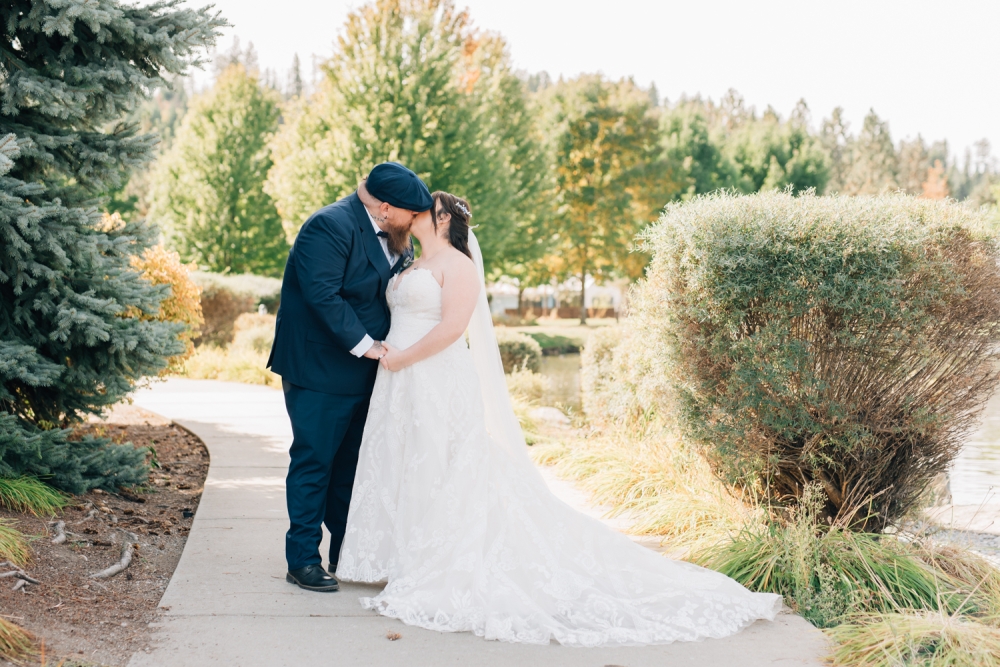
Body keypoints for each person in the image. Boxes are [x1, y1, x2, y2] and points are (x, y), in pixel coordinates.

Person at [336, 192, 783, 646]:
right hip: (400, 381)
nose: (411, 212)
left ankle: (434, 561)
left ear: (444, 218)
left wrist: (403, 358)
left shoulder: (459, 266)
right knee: (406, 459)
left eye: (422, 206)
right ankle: (403, 557)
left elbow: (451, 330)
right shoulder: (406, 263)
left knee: (441, 463)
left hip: (433, 376)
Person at [267, 162, 431, 592]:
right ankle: (302, 559)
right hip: (319, 368)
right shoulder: (328, 226)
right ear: (384, 206)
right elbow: (323, 294)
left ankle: (347, 551)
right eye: (409, 215)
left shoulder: (396, 235)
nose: (413, 223)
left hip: (369, 372)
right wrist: (370, 345)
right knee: (314, 462)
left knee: (352, 469)